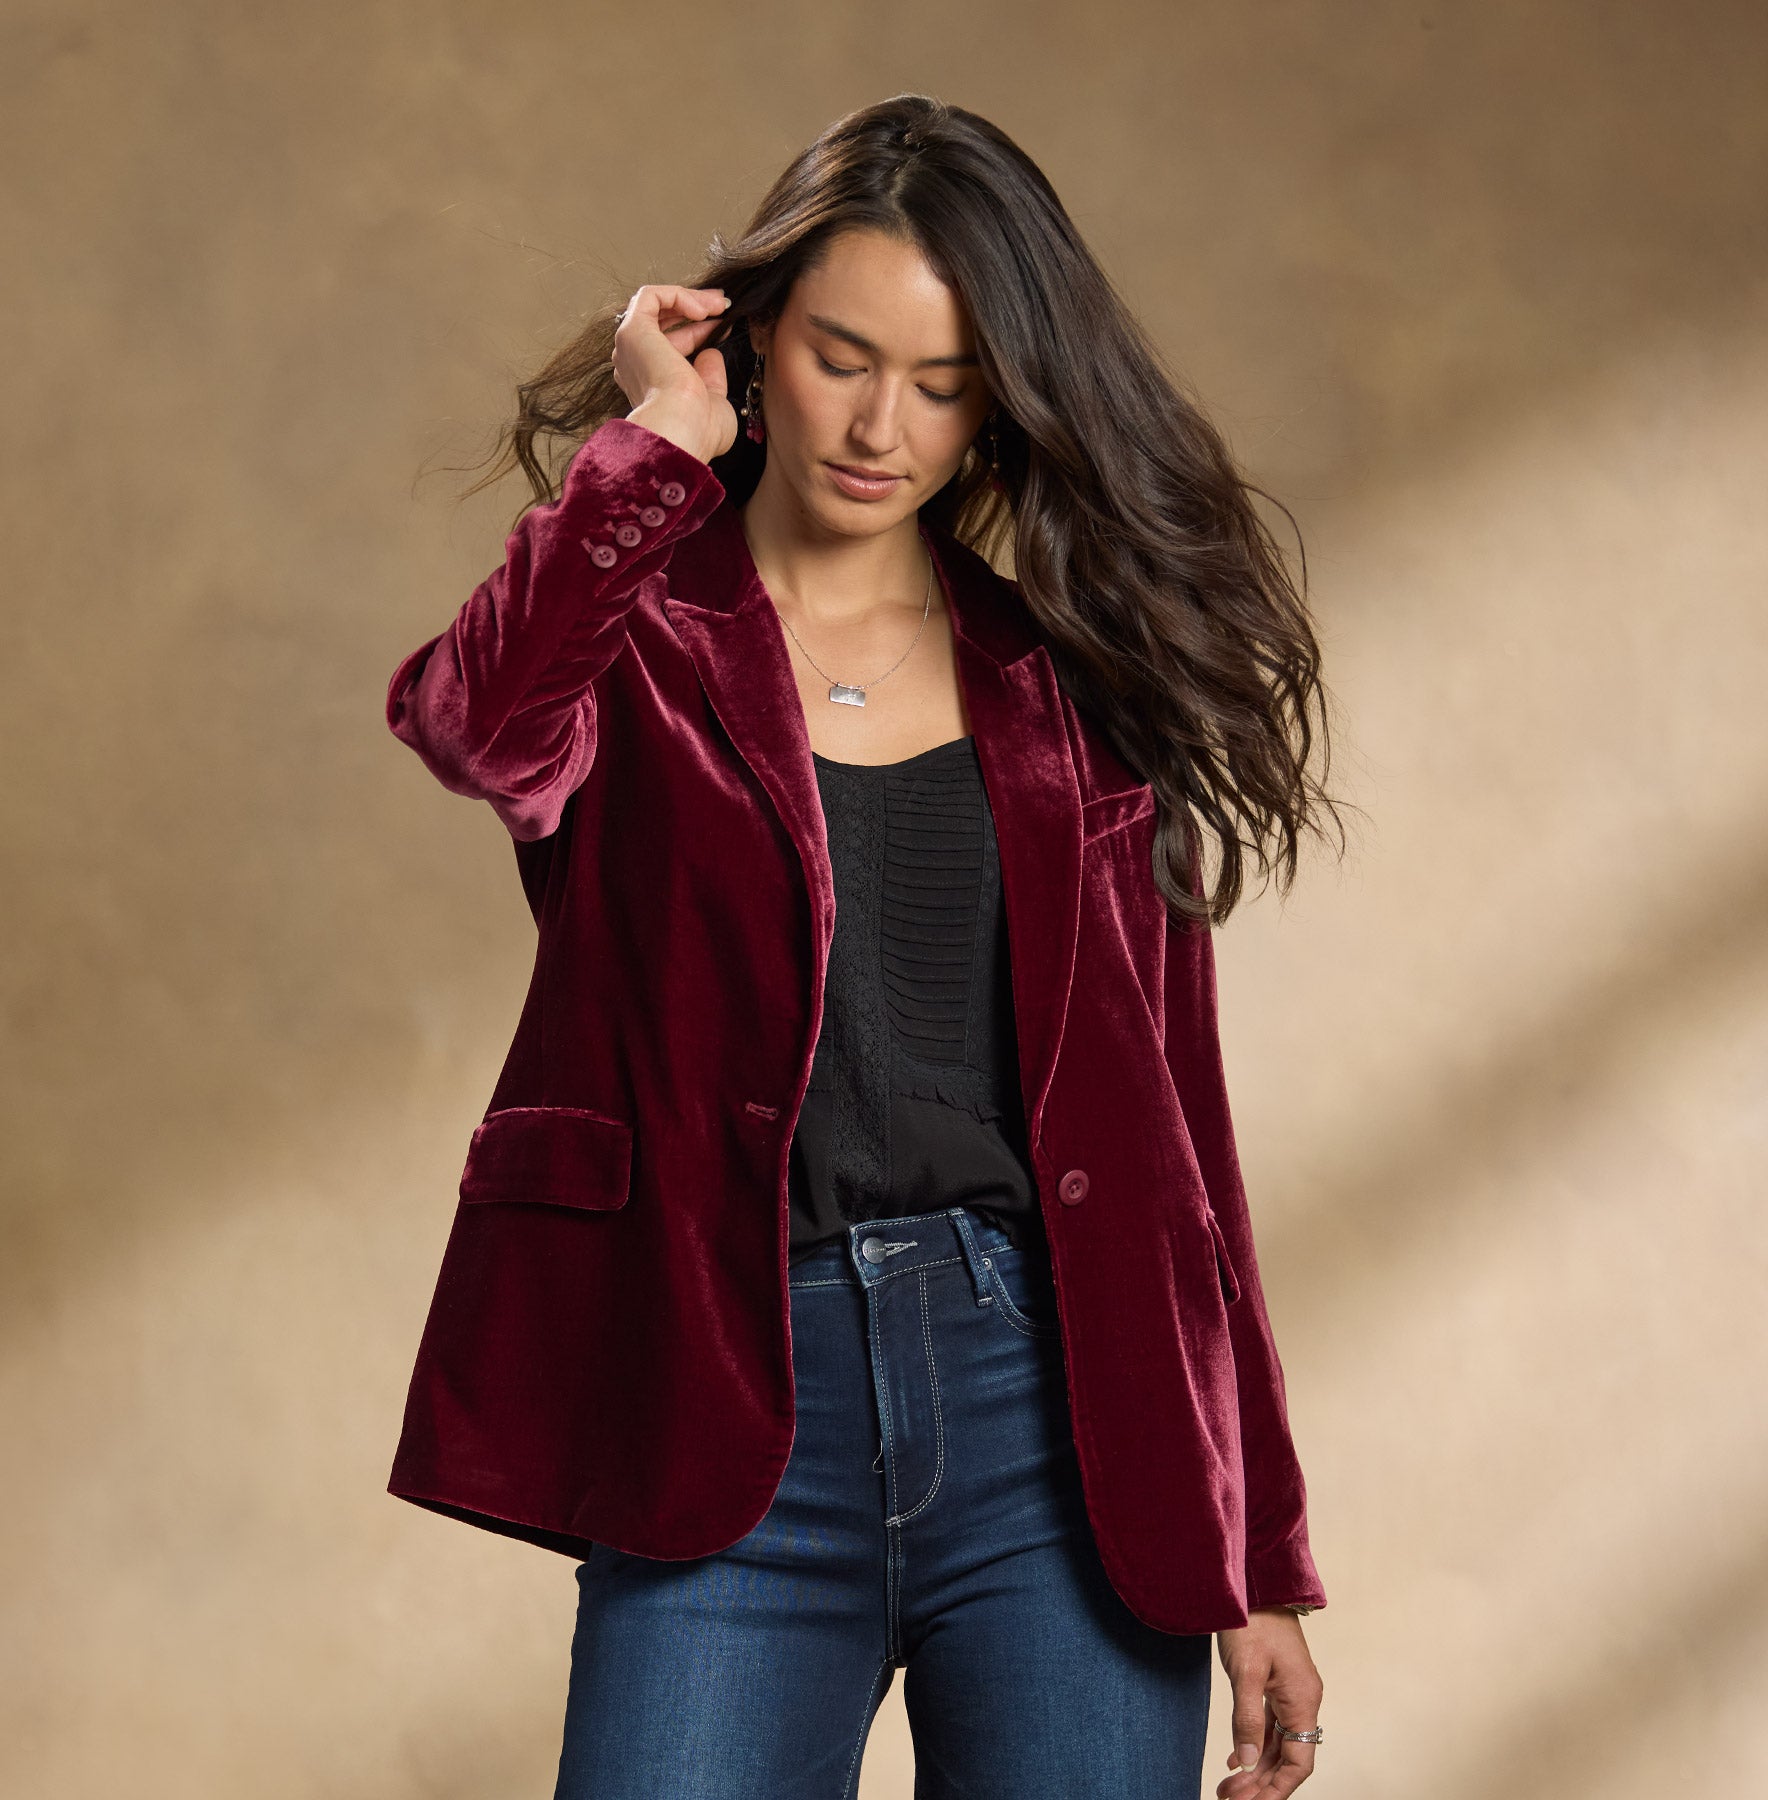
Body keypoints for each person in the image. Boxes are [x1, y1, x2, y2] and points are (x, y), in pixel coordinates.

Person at [384, 93, 1345, 1800]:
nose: (882, 426)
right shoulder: (636, 635)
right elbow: (472, 725)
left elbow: (1178, 1139)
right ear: (756, 340)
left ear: (1000, 405)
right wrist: (652, 449)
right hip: (734, 1407)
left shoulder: (1070, 688)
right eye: (842, 357)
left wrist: (1259, 1546)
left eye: (946, 383)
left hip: (1061, 1432)